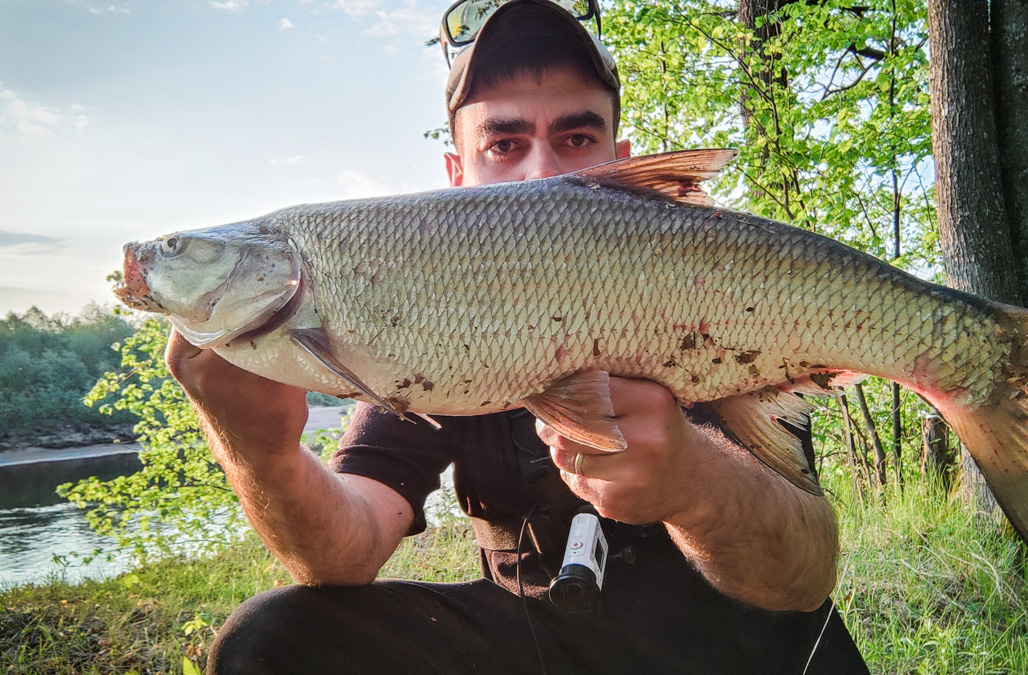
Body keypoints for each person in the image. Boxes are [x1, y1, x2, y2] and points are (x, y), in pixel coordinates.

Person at [169, 0, 870, 672]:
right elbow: (344, 553)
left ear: (622, 158)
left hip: (738, 649)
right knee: (270, 640)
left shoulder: (708, 274)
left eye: (576, 137)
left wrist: (694, 479)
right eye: (503, 143)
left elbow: (802, 575)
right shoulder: (416, 310)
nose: (542, 172)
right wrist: (260, 452)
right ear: (456, 177)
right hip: (536, 642)